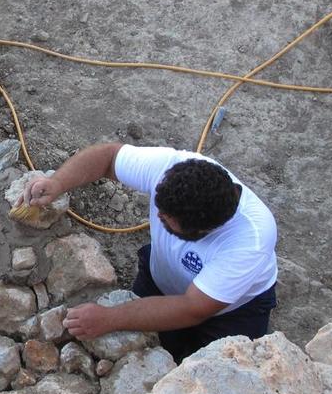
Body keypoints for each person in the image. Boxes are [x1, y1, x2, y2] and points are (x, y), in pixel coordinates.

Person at [21, 143, 277, 363]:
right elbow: (108, 157)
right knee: (156, 348)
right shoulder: (173, 169)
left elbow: (192, 308)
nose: (157, 217)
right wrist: (57, 183)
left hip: (232, 312)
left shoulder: (249, 241)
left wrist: (110, 318)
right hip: (162, 276)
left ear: (205, 230)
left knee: (217, 375)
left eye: (167, 222)